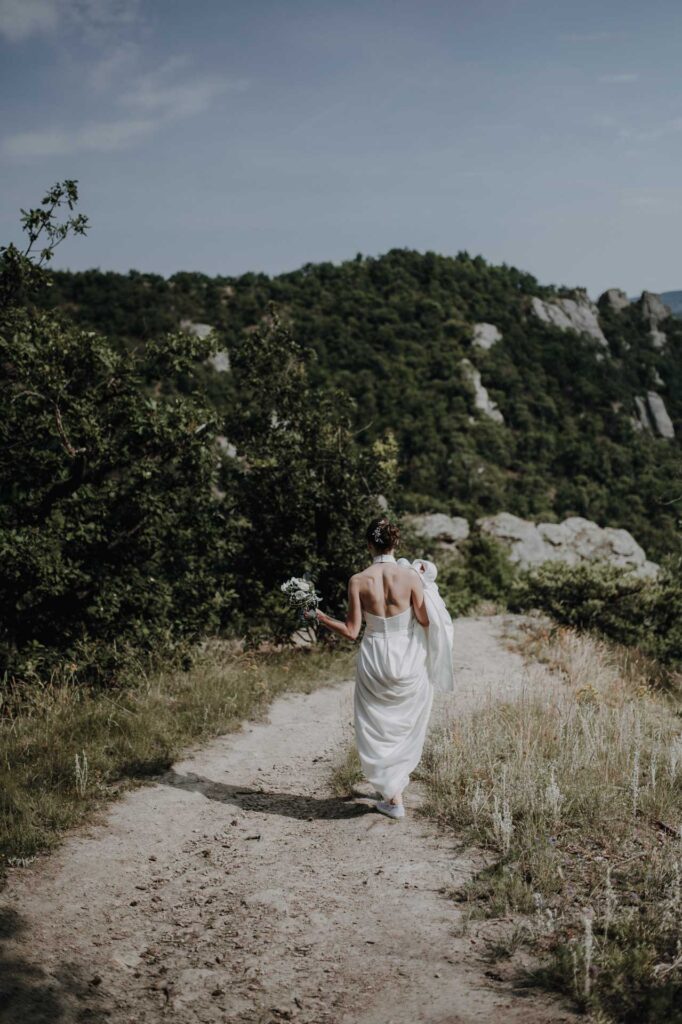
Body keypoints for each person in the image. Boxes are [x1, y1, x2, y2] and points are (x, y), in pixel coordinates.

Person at [306, 517, 438, 820]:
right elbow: (426, 620)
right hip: (407, 654)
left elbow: (352, 631)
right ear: (395, 544)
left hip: (375, 654)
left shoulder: (358, 580)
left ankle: (392, 795)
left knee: (377, 724)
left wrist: (322, 617)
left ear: (369, 545)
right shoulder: (410, 578)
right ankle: (394, 795)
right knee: (402, 722)